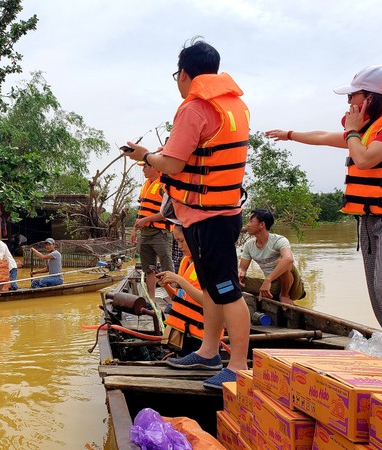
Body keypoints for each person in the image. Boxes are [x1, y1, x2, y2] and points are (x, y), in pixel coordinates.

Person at [265, 64, 382, 372]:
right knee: (376, 290)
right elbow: (325, 137)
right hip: (371, 220)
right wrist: (290, 135)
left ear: (371, 97)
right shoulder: (371, 128)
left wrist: (353, 131)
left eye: (353, 95)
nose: (349, 102)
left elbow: (365, 158)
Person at [122, 37, 251, 388]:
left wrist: (145, 156)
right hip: (212, 214)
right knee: (212, 286)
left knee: (226, 290)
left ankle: (238, 365)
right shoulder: (231, 106)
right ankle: (209, 352)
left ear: (183, 74)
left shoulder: (194, 108)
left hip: (210, 217)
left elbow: (174, 163)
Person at [156, 225, 209, 356]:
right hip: (183, 332)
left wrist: (179, 280)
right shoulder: (186, 262)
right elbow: (179, 297)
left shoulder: (208, 264)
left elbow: (208, 301)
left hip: (200, 336)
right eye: (177, 241)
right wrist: (166, 285)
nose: (179, 246)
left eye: (182, 241)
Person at [238, 210, 306, 306]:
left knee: (283, 262)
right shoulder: (249, 245)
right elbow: (242, 268)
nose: (247, 225)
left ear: (262, 225)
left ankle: (284, 295)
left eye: (251, 221)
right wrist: (240, 273)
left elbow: (288, 259)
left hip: (292, 287)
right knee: (231, 283)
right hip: (271, 287)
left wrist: (268, 280)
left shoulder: (279, 240)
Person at [131, 159, 174, 300]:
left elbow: (166, 213)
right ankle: (151, 300)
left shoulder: (164, 185)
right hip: (145, 234)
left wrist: (146, 220)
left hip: (160, 233)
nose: (143, 170)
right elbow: (141, 211)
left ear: (155, 168)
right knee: (148, 269)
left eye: (145, 167)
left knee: (167, 267)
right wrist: (134, 230)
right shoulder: (146, 185)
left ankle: (173, 300)